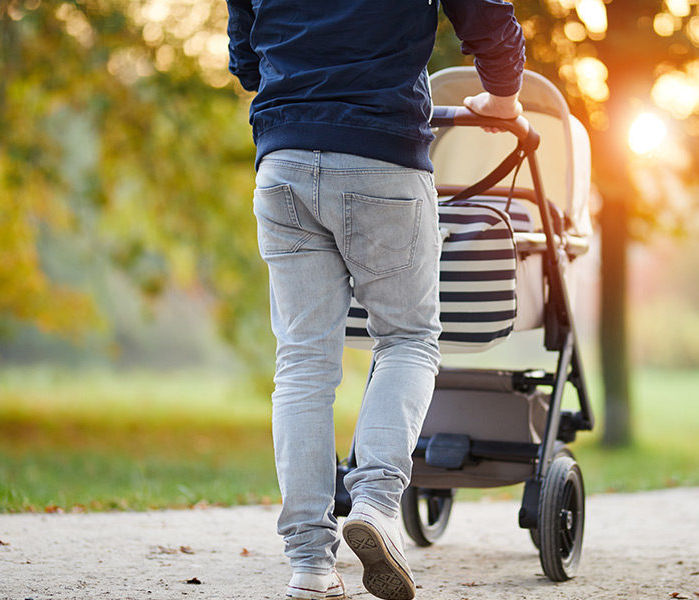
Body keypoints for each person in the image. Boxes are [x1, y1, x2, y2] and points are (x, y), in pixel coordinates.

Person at [225, 2, 525, 599]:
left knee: (303, 363)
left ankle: (310, 563)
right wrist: (503, 95)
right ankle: (377, 503)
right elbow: (484, 12)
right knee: (408, 340)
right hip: (383, 153)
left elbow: (246, 57)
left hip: (283, 155)